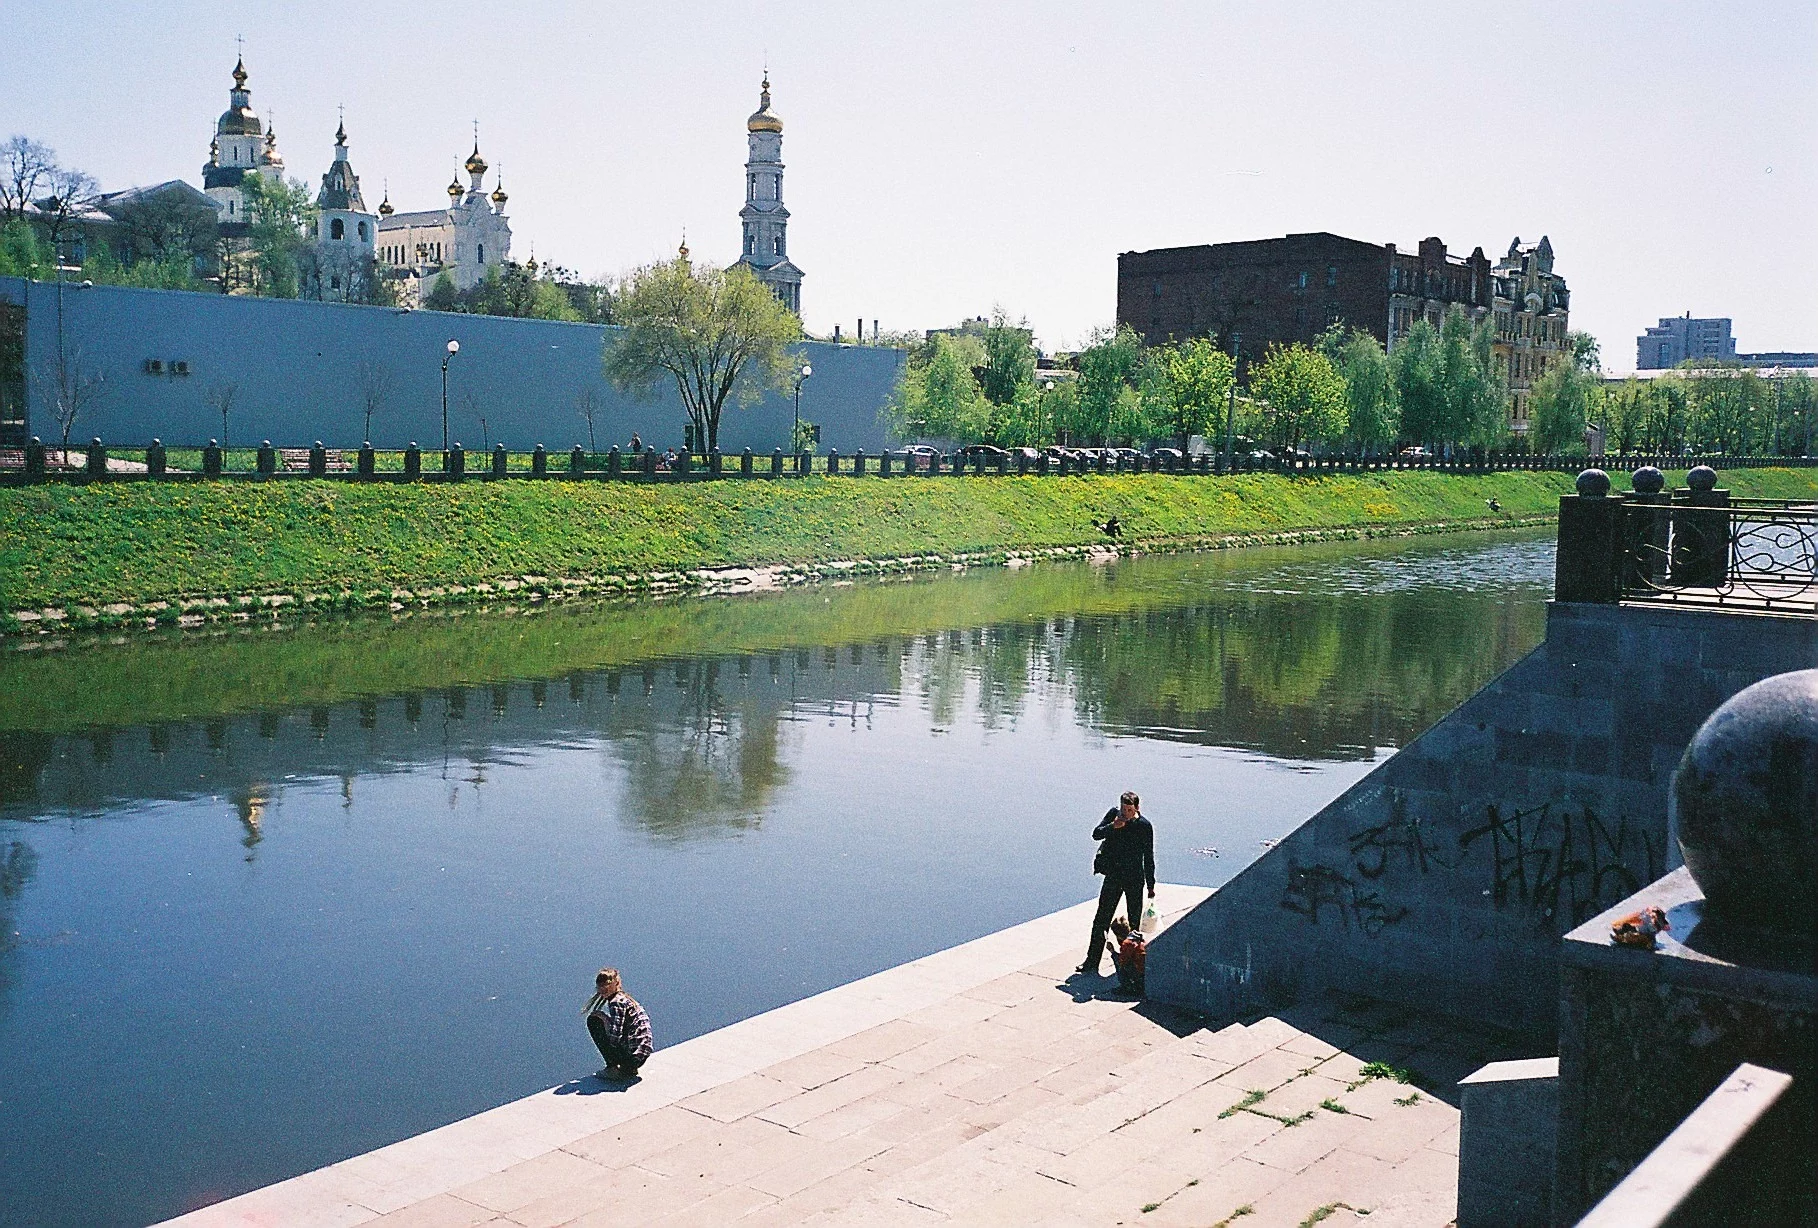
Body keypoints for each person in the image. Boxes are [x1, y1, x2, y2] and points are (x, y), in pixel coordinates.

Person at [1078, 790, 1156, 974]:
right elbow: (1096, 834)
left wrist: (1151, 884)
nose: (1125, 814)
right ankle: (1091, 961)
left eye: (1129, 810)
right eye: (1123, 809)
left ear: (1137, 808)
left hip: (1134, 879)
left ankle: (1133, 962)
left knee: (1134, 923)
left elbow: (1148, 856)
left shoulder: (1144, 826)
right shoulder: (1114, 816)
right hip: (1114, 876)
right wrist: (1113, 826)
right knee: (1101, 919)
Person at [583, 967, 653, 1078]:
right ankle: (629, 1069)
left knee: (594, 1020)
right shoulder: (625, 999)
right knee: (599, 1017)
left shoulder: (616, 1002)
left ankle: (612, 1069)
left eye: (606, 986)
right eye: (600, 986)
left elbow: (615, 1037)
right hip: (640, 1055)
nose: (602, 989)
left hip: (632, 1057)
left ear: (615, 984)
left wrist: (604, 1020)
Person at [1109, 916, 1146, 996]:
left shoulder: (1127, 944)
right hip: (1145, 971)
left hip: (1139, 974)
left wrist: (1112, 951)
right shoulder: (1137, 937)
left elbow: (1122, 961)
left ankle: (1127, 987)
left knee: (1121, 965)